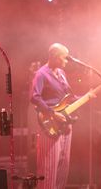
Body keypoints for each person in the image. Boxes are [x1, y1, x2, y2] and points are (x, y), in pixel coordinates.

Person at [29, 43, 80, 189]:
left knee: (63, 166)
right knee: (48, 167)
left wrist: (88, 96)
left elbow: (69, 97)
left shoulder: (62, 74)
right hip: (50, 123)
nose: (67, 61)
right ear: (56, 58)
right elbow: (34, 97)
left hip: (64, 123)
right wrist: (52, 113)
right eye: (64, 58)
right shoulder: (41, 73)